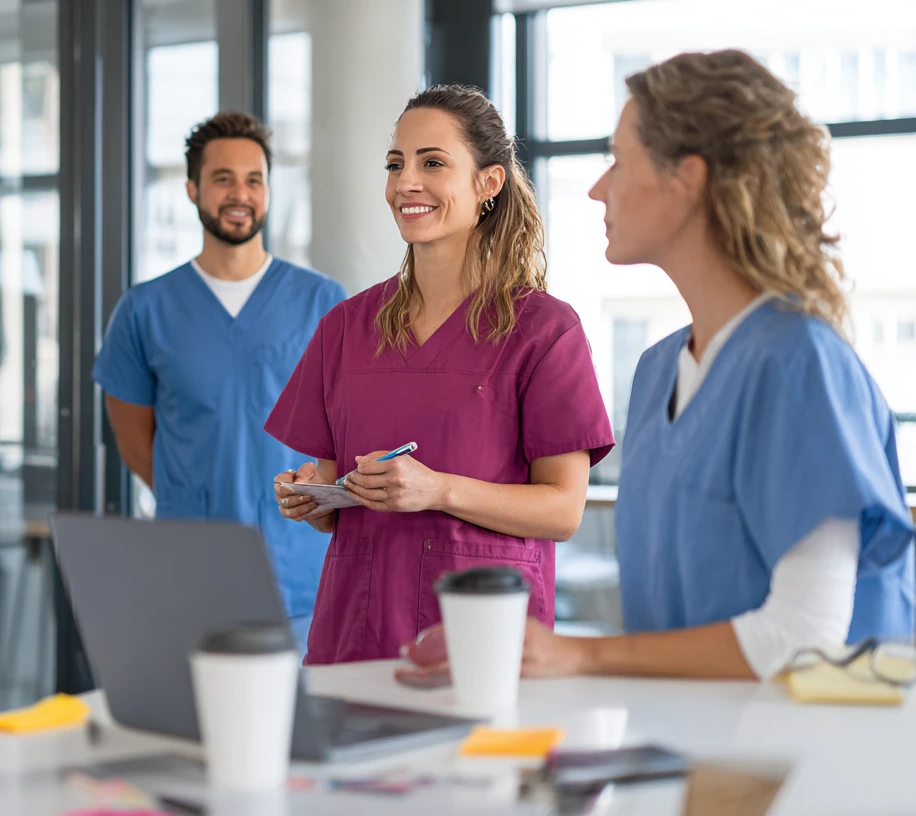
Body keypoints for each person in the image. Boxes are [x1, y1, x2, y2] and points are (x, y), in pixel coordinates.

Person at [405, 50, 914, 682]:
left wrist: (577, 655)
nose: (598, 188)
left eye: (619, 160)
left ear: (688, 179)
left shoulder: (799, 363)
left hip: (809, 737)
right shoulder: (657, 373)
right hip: (688, 732)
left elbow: (804, 635)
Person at [266, 85, 615, 665]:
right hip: (354, 639)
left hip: (482, 642)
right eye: (395, 164)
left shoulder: (544, 330)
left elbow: (563, 510)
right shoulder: (346, 327)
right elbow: (332, 505)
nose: (406, 182)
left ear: (488, 183)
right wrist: (312, 496)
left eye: (432, 163)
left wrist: (439, 489)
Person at [93, 112, 347, 652]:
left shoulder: (323, 302)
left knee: (298, 704)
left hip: (298, 573)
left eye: (254, 179)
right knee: (191, 704)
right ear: (193, 189)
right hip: (190, 567)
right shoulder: (144, 310)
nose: (240, 193)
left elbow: (345, 432)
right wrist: (193, 494)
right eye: (223, 179)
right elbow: (135, 444)